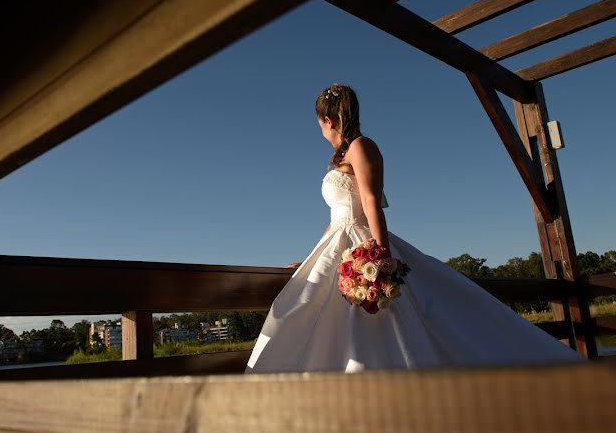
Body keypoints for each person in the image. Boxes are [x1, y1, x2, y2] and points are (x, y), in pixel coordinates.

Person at [245, 83, 587, 373]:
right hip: (339, 241)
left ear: (328, 120)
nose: (319, 129)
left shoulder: (362, 147)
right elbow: (337, 216)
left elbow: (370, 202)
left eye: (319, 123)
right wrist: (307, 259)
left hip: (363, 245)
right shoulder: (343, 155)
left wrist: (380, 258)